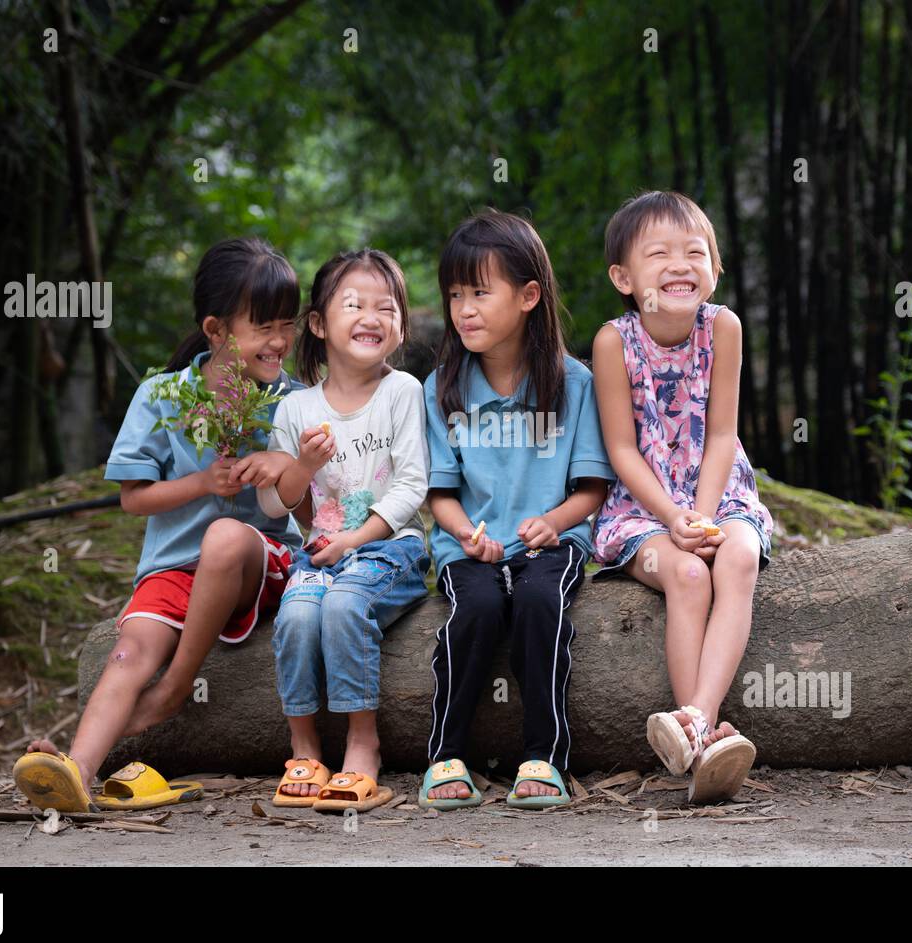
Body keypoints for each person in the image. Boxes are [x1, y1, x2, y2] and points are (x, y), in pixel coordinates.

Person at [13, 237, 305, 812]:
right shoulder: (164, 396)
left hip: (260, 561)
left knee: (224, 537)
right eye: (264, 327)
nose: (280, 341)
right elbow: (133, 499)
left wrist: (287, 467)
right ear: (217, 331)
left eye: (287, 325)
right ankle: (77, 769)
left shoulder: (293, 401)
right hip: (174, 568)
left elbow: (311, 503)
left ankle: (171, 692)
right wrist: (203, 483)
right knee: (129, 651)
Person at [418, 210, 614, 811]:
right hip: (469, 547)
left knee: (536, 602)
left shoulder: (574, 384)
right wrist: (464, 536)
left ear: (529, 296)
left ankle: (545, 755)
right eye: (455, 294)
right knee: (475, 607)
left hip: (553, 546)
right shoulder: (443, 387)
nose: (464, 309)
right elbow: (440, 495)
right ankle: (444, 756)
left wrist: (554, 523)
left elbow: (592, 489)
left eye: (480, 291)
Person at [591, 190, 774, 804]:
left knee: (740, 557)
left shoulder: (722, 327)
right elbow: (620, 449)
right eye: (659, 253)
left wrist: (703, 509)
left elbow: (722, 432)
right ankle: (708, 734)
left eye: (695, 252)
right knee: (691, 577)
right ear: (623, 276)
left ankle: (695, 720)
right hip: (643, 509)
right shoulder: (613, 343)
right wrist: (672, 518)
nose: (679, 265)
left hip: (720, 492)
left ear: (715, 269)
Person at [259, 249, 430, 813]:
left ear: (400, 326)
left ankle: (363, 741)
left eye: (387, 307)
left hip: (390, 550)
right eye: (353, 304)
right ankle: (303, 746)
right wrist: (303, 466)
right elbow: (276, 501)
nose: (371, 317)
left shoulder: (402, 391)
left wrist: (355, 541)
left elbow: (411, 487)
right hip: (319, 553)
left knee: (341, 607)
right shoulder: (296, 409)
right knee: (299, 612)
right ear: (318, 324)